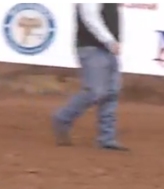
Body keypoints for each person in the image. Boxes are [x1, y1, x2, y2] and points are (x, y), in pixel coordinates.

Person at [52, 3, 128, 151]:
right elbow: (89, 17)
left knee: (111, 92)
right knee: (95, 91)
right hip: (92, 47)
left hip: (104, 48)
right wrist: (109, 40)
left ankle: (107, 138)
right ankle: (63, 118)